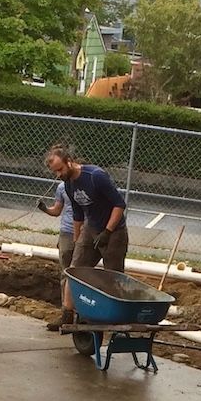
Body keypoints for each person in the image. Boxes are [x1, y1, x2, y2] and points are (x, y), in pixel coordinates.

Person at [44, 142, 129, 278]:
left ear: (69, 162)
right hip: (91, 227)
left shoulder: (95, 176)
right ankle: (69, 300)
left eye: (60, 169)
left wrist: (107, 232)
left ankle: (112, 298)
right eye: (55, 171)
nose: (58, 174)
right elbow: (78, 215)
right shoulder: (68, 184)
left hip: (114, 232)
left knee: (113, 277)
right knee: (74, 273)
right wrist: (77, 240)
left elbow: (119, 205)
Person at [36, 176, 77, 332]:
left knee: (81, 272)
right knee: (66, 272)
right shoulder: (62, 187)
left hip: (86, 233)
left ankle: (81, 313)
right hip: (67, 232)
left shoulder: (87, 187)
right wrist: (45, 208)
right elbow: (57, 210)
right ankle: (66, 313)